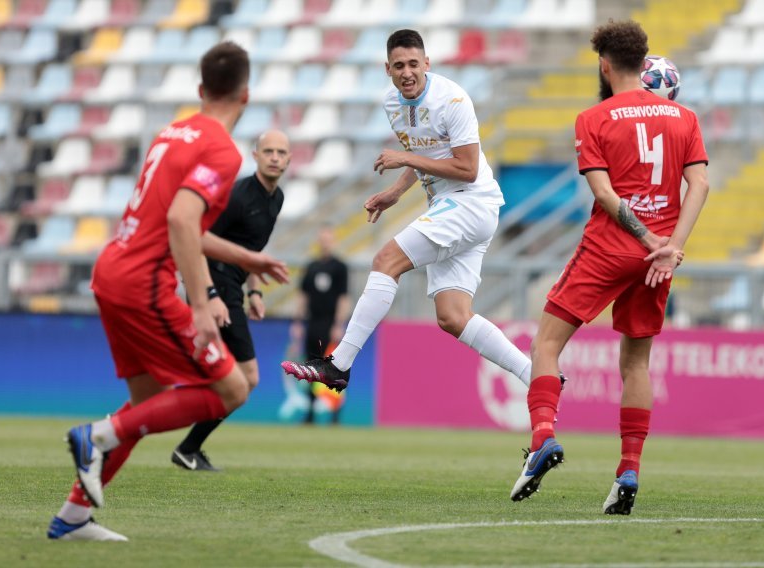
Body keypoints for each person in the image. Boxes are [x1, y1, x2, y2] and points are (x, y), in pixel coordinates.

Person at [47, 42, 289, 541]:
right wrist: (201, 303)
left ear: (201, 90)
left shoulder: (172, 132)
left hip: (111, 269)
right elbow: (181, 220)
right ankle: (95, 436)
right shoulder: (221, 149)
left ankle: (72, 518)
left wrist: (244, 259)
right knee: (233, 388)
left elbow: (180, 221)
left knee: (147, 400)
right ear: (246, 94)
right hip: (144, 283)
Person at [509, 20, 709, 515]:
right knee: (636, 362)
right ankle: (628, 470)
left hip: (609, 246)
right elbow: (700, 186)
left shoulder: (593, 118)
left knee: (547, 344)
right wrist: (670, 247)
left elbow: (603, 193)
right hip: (660, 256)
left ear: (604, 64)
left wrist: (641, 236)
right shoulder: (683, 117)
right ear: (645, 63)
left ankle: (543, 438)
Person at [282, 29, 537, 398]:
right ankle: (535, 376)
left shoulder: (452, 99)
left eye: (414, 64)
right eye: (399, 65)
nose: (407, 72)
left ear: (427, 64)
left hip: (470, 199)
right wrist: (395, 193)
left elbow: (466, 168)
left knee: (386, 260)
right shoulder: (392, 103)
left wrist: (404, 158)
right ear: (388, 69)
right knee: (453, 316)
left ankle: (338, 365)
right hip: (454, 208)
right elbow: (426, 153)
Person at [171, 129, 292, 471]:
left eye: (280, 152)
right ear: (255, 155)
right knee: (247, 378)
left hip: (234, 286)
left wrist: (253, 290)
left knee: (232, 377)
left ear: (289, 160)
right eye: (267, 151)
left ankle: (187, 442)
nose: (274, 157)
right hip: (216, 282)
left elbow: (250, 252)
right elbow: (197, 242)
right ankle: (186, 444)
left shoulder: (277, 198)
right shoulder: (237, 195)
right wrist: (209, 295)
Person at [288, 225, 351, 424]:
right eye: (322, 239)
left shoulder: (340, 267)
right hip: (312, 323)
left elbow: (343, 297)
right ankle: (311, 412)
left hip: (329, 322)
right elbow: (302, 295)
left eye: (328, 239)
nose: (325, 242)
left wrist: (339, 324)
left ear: (333, 241)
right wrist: (298, 321)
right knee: (310, 366)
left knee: (334, 368)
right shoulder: (312, 266)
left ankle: (335, 413)